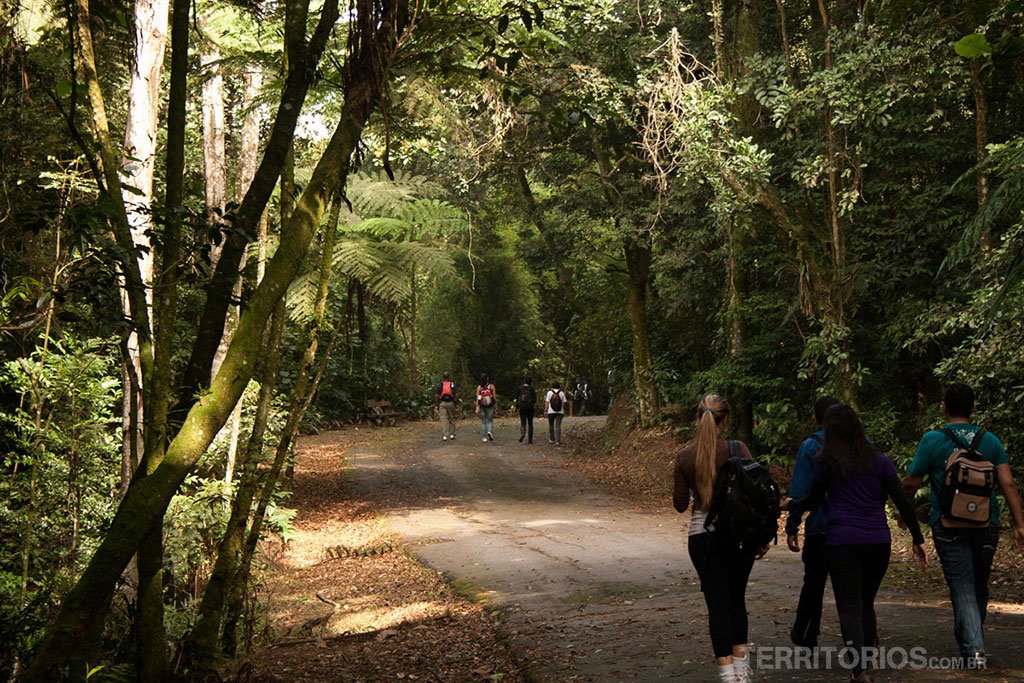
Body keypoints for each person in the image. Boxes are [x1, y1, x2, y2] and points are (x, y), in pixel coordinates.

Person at [784, 404, 926, 683]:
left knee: (848, 606)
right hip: (877, 541)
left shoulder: (828, 462)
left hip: (842, 542)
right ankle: (865, 663)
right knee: (865, 604)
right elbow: (902, 501)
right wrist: (917, 538)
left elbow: (813, 499)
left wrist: (790, 506)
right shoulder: (880, 461)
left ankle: (859, 670)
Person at [903, 383, 1024, 668]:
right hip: (987, 523)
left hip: (947, 524)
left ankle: (974, 650)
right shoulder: (990, 440)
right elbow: (1007, 482)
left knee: (962, 585)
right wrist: (1020, 524)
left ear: (944, 407)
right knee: (978, 584)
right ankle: (971, 639)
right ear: (973, 408)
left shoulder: (932, 440)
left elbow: (911, 481)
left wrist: (903, 508)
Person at [673, 394, 765, 683]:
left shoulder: (685, 456)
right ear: (725, 420)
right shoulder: (739, 449)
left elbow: (678, 504)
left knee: (717, 604)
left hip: (702, 537)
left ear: (698, 418)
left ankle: (726, 675)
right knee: (737, 599)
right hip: (740, 537)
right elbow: (758, 494)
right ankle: (741, 672)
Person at [785, 394, 840, 650]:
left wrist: (792, 525)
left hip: (821, 527)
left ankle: (806, 632)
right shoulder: (862, 444)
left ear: (817, 418)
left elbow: (800, 490)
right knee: (852, 589)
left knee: (814, 582)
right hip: (856, 528)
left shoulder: (810, 446)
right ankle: (864, 640)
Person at [434, 372, 459, 441]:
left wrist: (436, 405)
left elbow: (436, 396)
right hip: (451, 403)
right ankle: (452, 434)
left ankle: (445, 435)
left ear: (443, 377)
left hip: (442, 403)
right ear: (449, 377)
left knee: (443, 419)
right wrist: (456, 404)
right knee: (452, 418)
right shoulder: (452, 384)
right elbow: (456, 395)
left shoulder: (439, 385)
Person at [475, 374, 497, 442]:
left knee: (483, 422)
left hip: (482, 406)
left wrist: (477, 406)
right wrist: (496, 406)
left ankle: (484, 437)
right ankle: (489, 431)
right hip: (490, 406)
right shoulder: (491, 386)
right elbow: (494, 397)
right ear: (487, 379)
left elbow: (478, 398)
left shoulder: (479, 387)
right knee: (490, 420)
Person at [516, 376, 537, 443]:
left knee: (523, 423)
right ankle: (530, 440)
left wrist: (517, 407)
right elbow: (534, 399)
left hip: (522, 408)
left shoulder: (520, 388)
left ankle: (522, 434)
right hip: (530, 408)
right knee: (530, 423)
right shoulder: (531, 389)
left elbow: (517, 398)